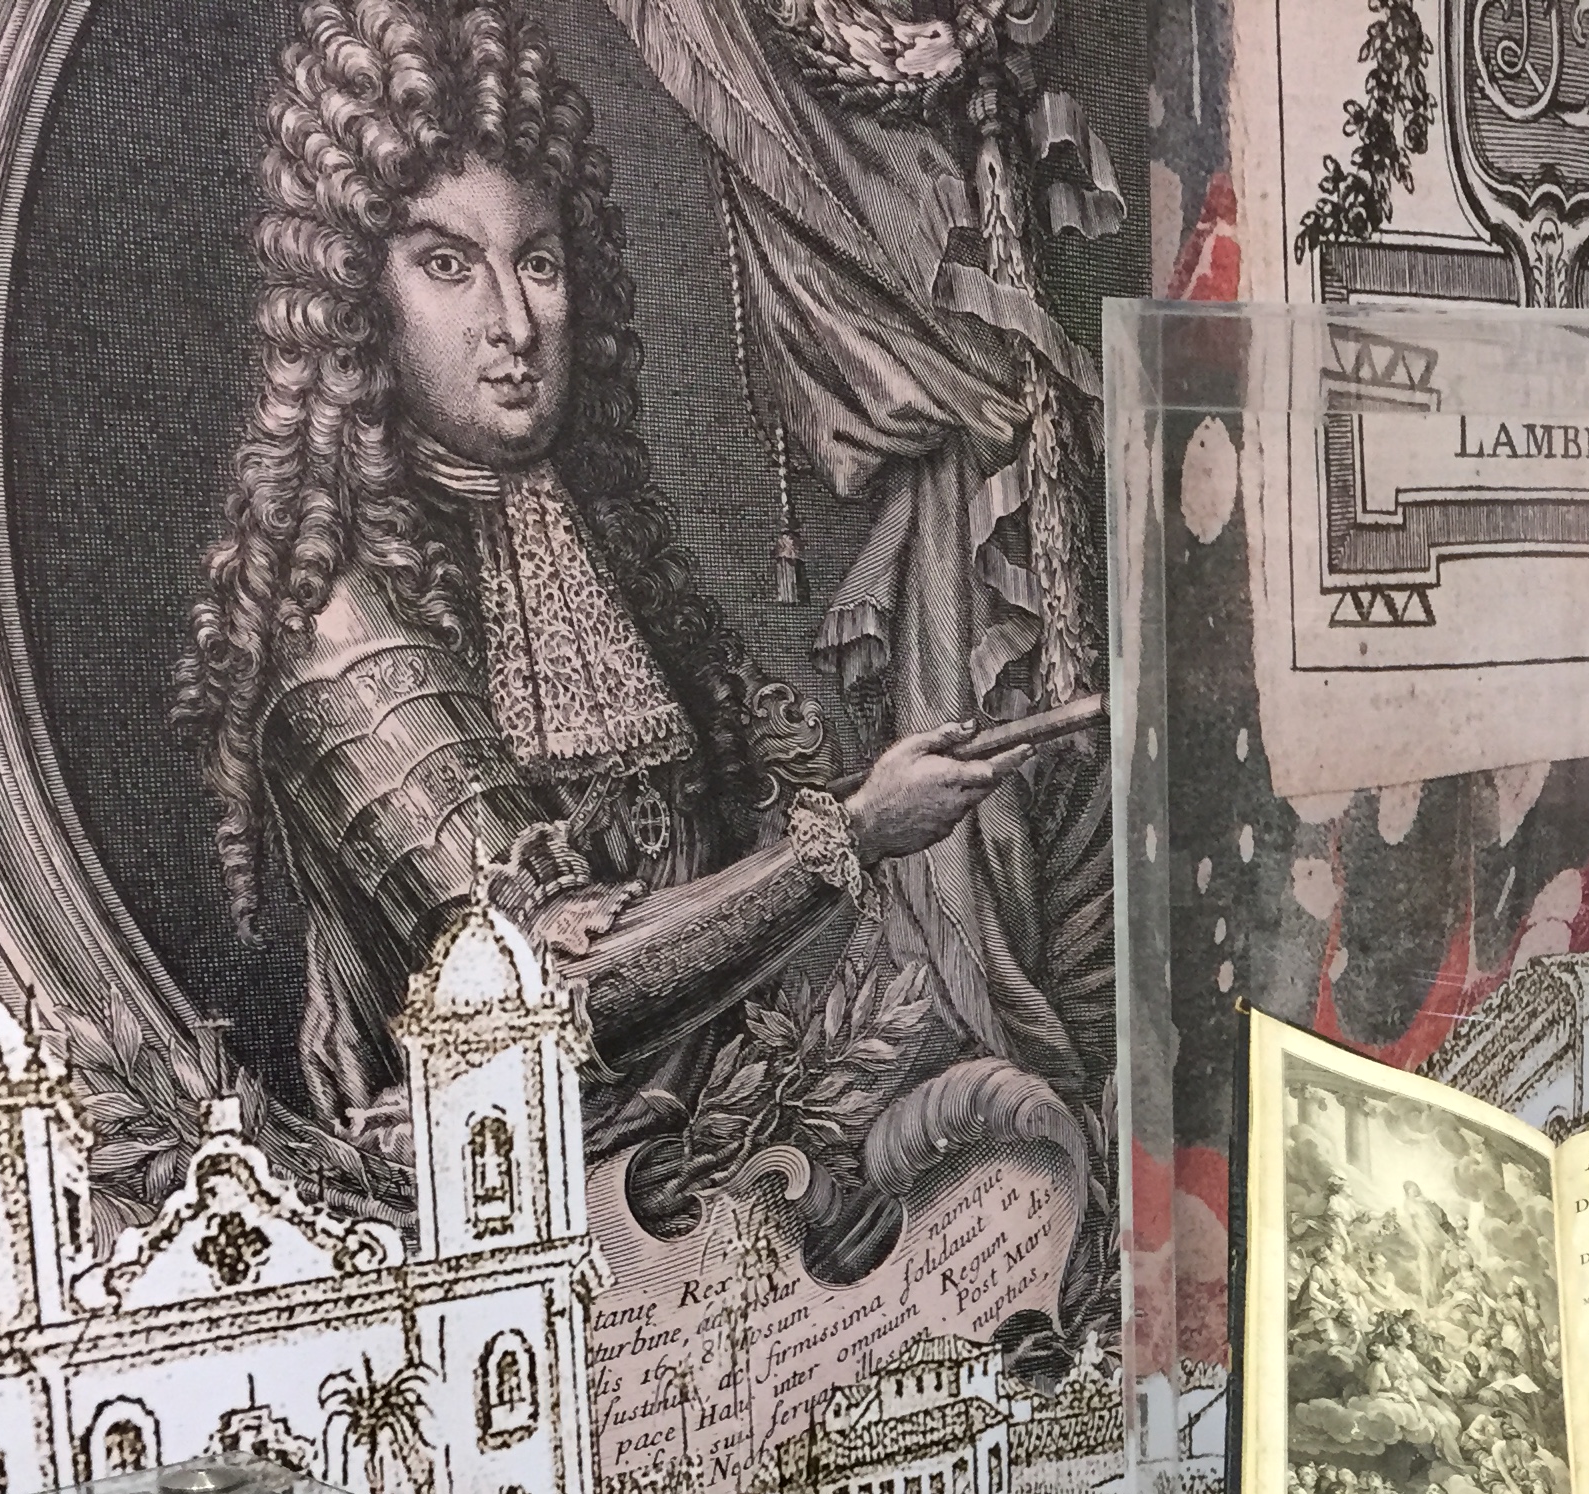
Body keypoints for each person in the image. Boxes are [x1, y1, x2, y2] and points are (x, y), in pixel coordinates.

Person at [171, 0, 1025, 1172]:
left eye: (537, 263)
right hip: (509, 1199)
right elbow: (532, 988)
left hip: (699, 1165)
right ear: (358, 303)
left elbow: (699, 873)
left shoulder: (595, 549)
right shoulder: (340, 629)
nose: (515, 324)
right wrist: (854, 836)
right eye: (448, 265)